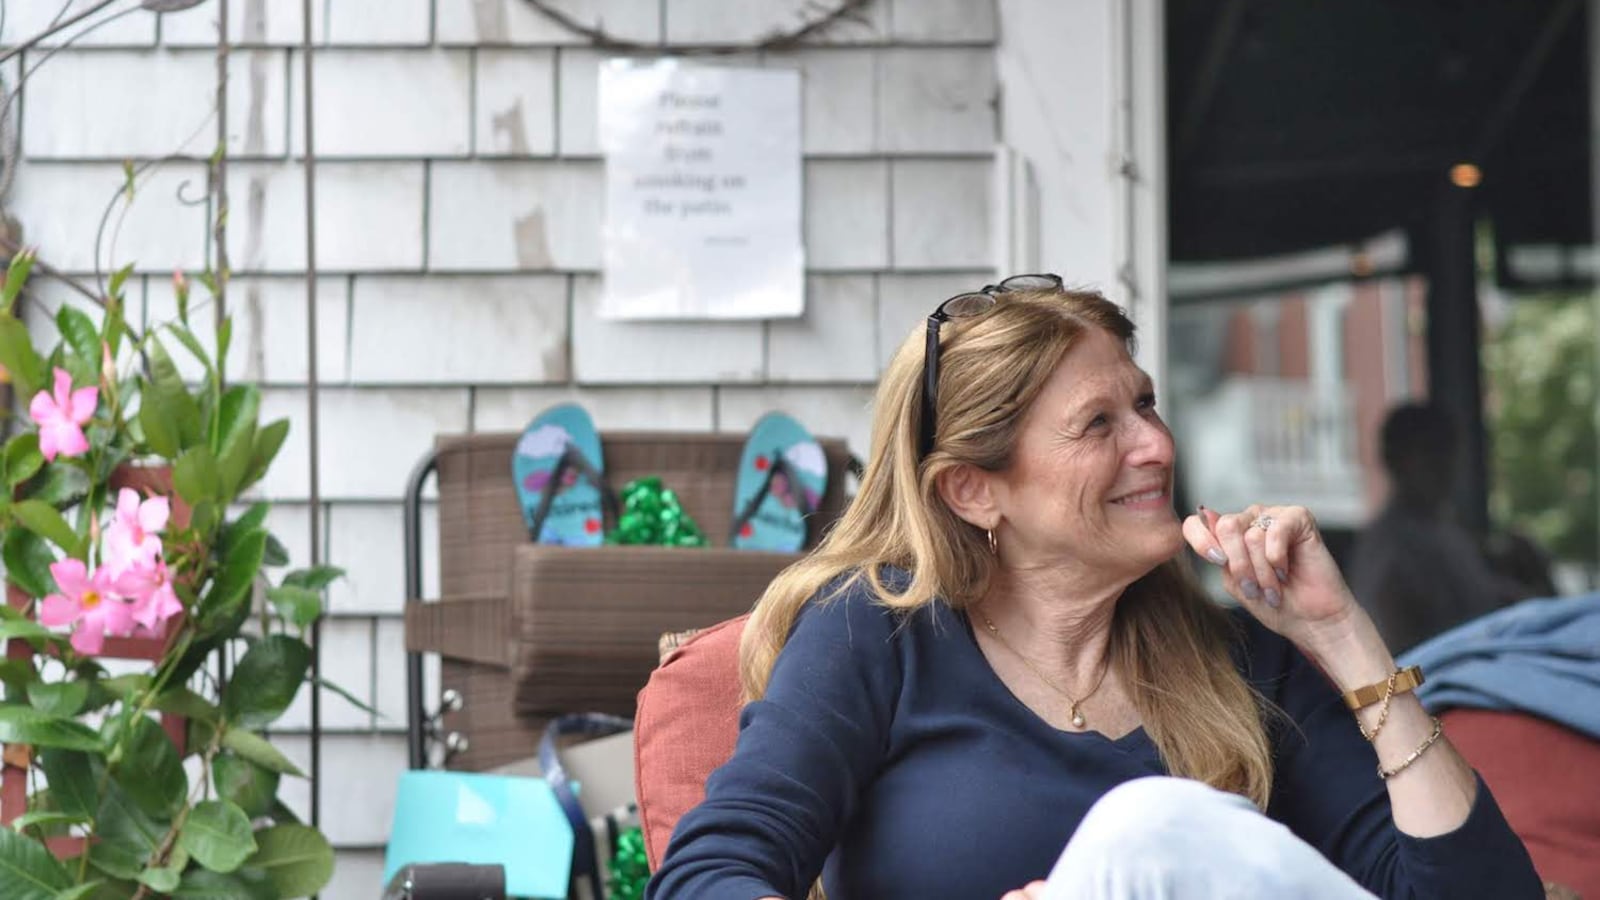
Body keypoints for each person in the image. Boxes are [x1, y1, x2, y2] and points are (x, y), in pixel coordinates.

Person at [646, 277, 1541, 899]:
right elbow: (709, 873)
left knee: (1150, 833)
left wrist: (1344, 634)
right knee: (1144, 829)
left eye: (1145, 404)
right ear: (974, 488)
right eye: (1098, 425)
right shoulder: (878, 636)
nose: (1155, 445)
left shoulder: (1240, 664)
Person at [1348, 403, 1537, 654]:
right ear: (1396, 461)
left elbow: (1482, 603)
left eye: (1449, 452)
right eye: (1430, 454)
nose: (1445, 466)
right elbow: (1394, 647)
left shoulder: (1448, 532)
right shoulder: (1387, 549)